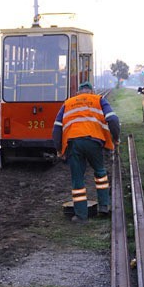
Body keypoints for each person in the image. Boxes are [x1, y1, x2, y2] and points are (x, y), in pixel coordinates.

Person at [52, 82, 120, 224]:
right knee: (100, 173)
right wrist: (116, 138)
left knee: (77, 179)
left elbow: (57, 128)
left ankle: (81, 216)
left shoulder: (68, 103)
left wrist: (59, 149)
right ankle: (103, 207)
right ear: (91, 91)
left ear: (78, 93)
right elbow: (113, 119)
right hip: (94, 141)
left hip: (73, 144)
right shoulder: (98, 100)